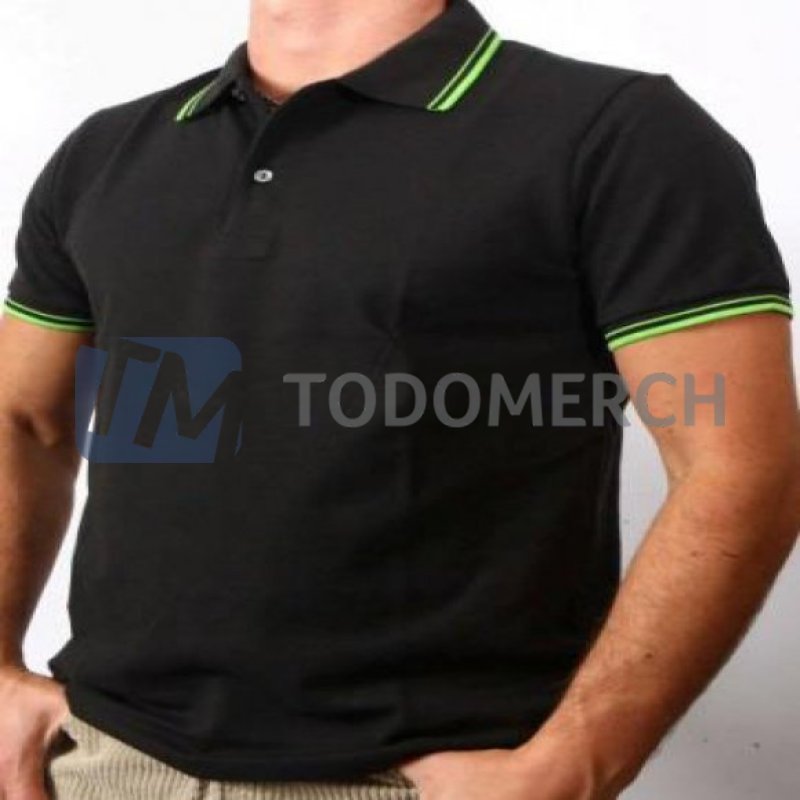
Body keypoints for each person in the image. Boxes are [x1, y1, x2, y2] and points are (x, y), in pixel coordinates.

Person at [1, 0, 798, 798]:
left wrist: (575, 763)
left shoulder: (616, 131)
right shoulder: (107, 150)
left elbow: (744, 465)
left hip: (413, 778)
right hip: (104, 763)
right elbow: (26, 420)